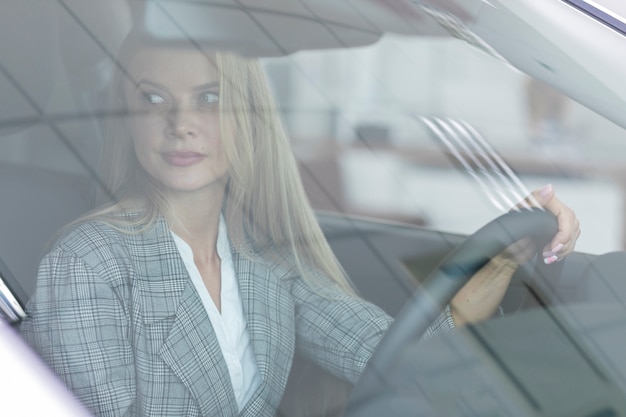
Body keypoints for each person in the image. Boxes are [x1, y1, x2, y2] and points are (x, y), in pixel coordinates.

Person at [19, 29, 580, 417]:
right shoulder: (88, 263)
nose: (180, 123)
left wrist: (502, 256)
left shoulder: (264, 259)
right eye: (153, 99)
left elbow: (399, 356)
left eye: (208, 98)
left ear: (247, 113)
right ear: (128, 116)